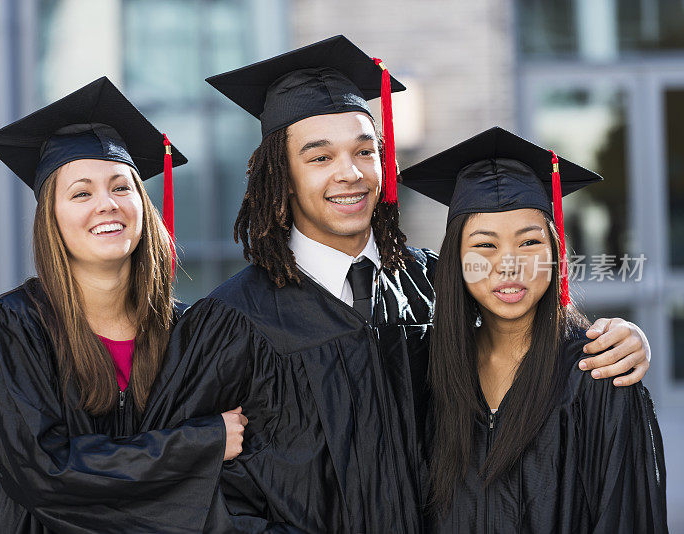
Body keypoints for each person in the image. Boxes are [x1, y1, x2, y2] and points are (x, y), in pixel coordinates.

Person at [143, 38, 652, 533]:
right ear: (282, 175)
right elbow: (181, 488)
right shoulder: (232, 322)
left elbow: (523, 337)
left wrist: (619, 337)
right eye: (319, 158)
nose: (350, 174)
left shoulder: (434, 284)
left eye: (365, 152)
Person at [0, 77, 247, 534]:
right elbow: (45, 471)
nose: (107, 204)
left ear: (143, 203)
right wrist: (200, 443)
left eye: (121, 187)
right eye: (81, 193)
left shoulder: (188, 333)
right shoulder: (15, 325)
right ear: (51, 218)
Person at [401, 126, 667, 532]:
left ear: (554, 254)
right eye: (485, 246)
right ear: (456, 260)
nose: (509, 265)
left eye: (528, 243)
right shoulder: (432, 373)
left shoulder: (597, 376)